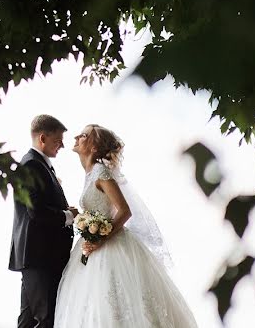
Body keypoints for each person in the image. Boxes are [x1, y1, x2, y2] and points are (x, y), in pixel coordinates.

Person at [54, 124, 198, 327]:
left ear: (94, 147)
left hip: (109, 247)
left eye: (83, 135)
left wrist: (101, 238)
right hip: (91, 247)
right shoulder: (89, 174)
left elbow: (124, 210)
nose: (76, 137)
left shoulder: (100, 172)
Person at [9, 114, 78, 328]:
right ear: (42, 138)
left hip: (38, 256)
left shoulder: (40, 165)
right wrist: (69, 216)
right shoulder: (31, 165)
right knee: (46, 319)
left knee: (28, 322)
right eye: (58, 141)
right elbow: (36, 212)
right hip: (40, 257)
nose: (63, 146)